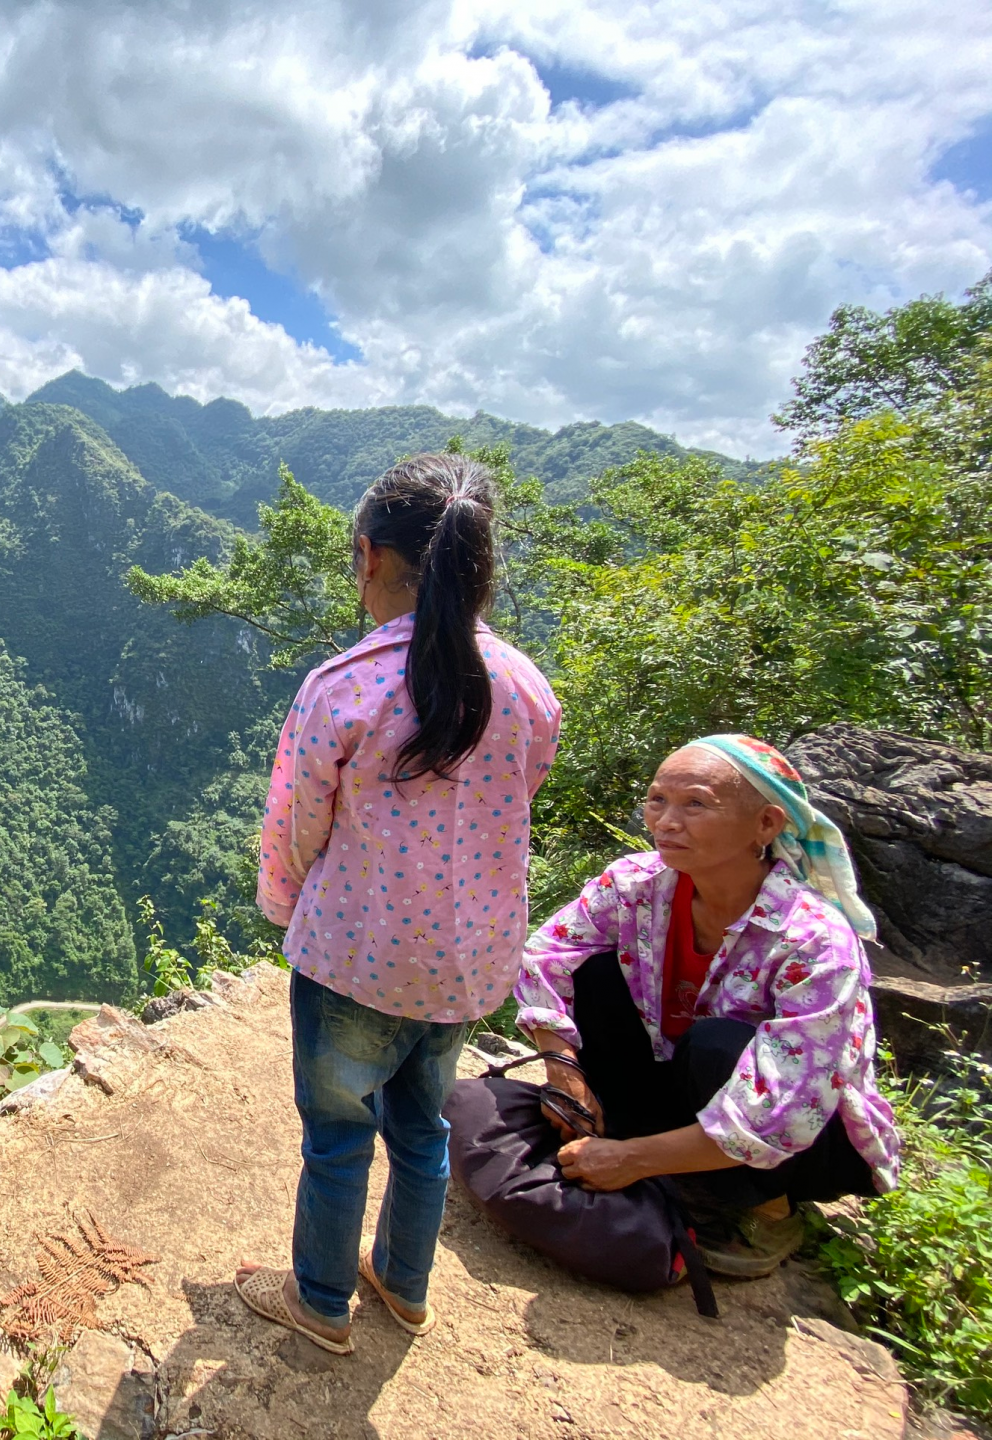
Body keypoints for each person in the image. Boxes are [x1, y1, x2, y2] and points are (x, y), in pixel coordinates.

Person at [235, 453, 561, 1355]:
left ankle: (321, 1301)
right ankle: (406, 1289)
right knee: (423, 1128)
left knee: (339, 1132)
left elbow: (298, 823)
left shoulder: (345, 686)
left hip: (357, 956)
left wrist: (286, 908)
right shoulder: (528, 688)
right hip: (464, 963)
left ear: (370, 557)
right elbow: (520, 793)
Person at [517, 735, 901, 1278]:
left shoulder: (814, 942)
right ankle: (657, 1148)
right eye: (657, 801)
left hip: (801, 1140)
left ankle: (771, 1209)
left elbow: (785, 1109)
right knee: (594, 973)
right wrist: (564, 1067)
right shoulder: (636, 886)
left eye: (695, 804)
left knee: (720, 1044)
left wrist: (631, 1161)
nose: (667, 822)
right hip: (682, 1088)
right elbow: (543, 956)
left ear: (765, 825)